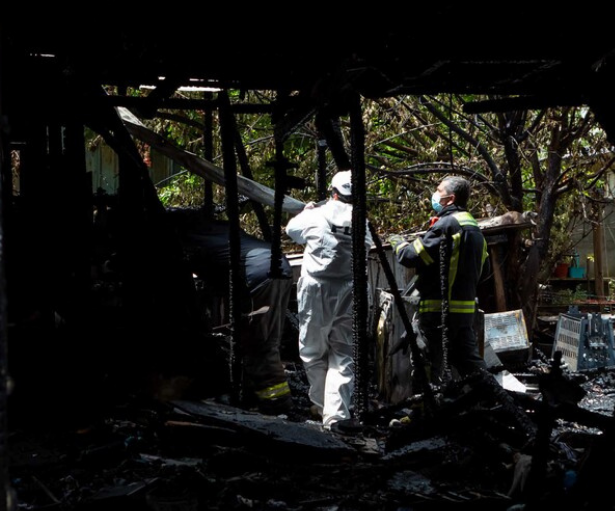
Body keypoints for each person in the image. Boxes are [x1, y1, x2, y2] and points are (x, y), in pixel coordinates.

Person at [167, 210, 294, 409]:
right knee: (259, 338)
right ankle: (254, 395)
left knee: (260, 342)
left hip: (259, 274)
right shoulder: (215, 229)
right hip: (277, 267)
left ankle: (277, 402)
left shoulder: (185, 239)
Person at [285, 171, 373, 430]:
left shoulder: (315, 215)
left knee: (312, 352)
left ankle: (321, 405)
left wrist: (309, 210)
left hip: (317, 290)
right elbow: (365, 247)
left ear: (332, 192)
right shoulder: (361, 220)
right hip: (350, 290)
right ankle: (335, 416)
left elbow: (292, 230)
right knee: (343, 354)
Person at [392, 176, 491, 386]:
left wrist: (397, 242)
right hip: (464, 314)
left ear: (450, 198)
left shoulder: (447, 225)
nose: (434, 195)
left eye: (438, 190)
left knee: (426, 365)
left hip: (438, 314)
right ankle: (496, 404)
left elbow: (411, 257)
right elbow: (485, 271)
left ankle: (425, 413)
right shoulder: (475, 228)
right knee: (471, 366)